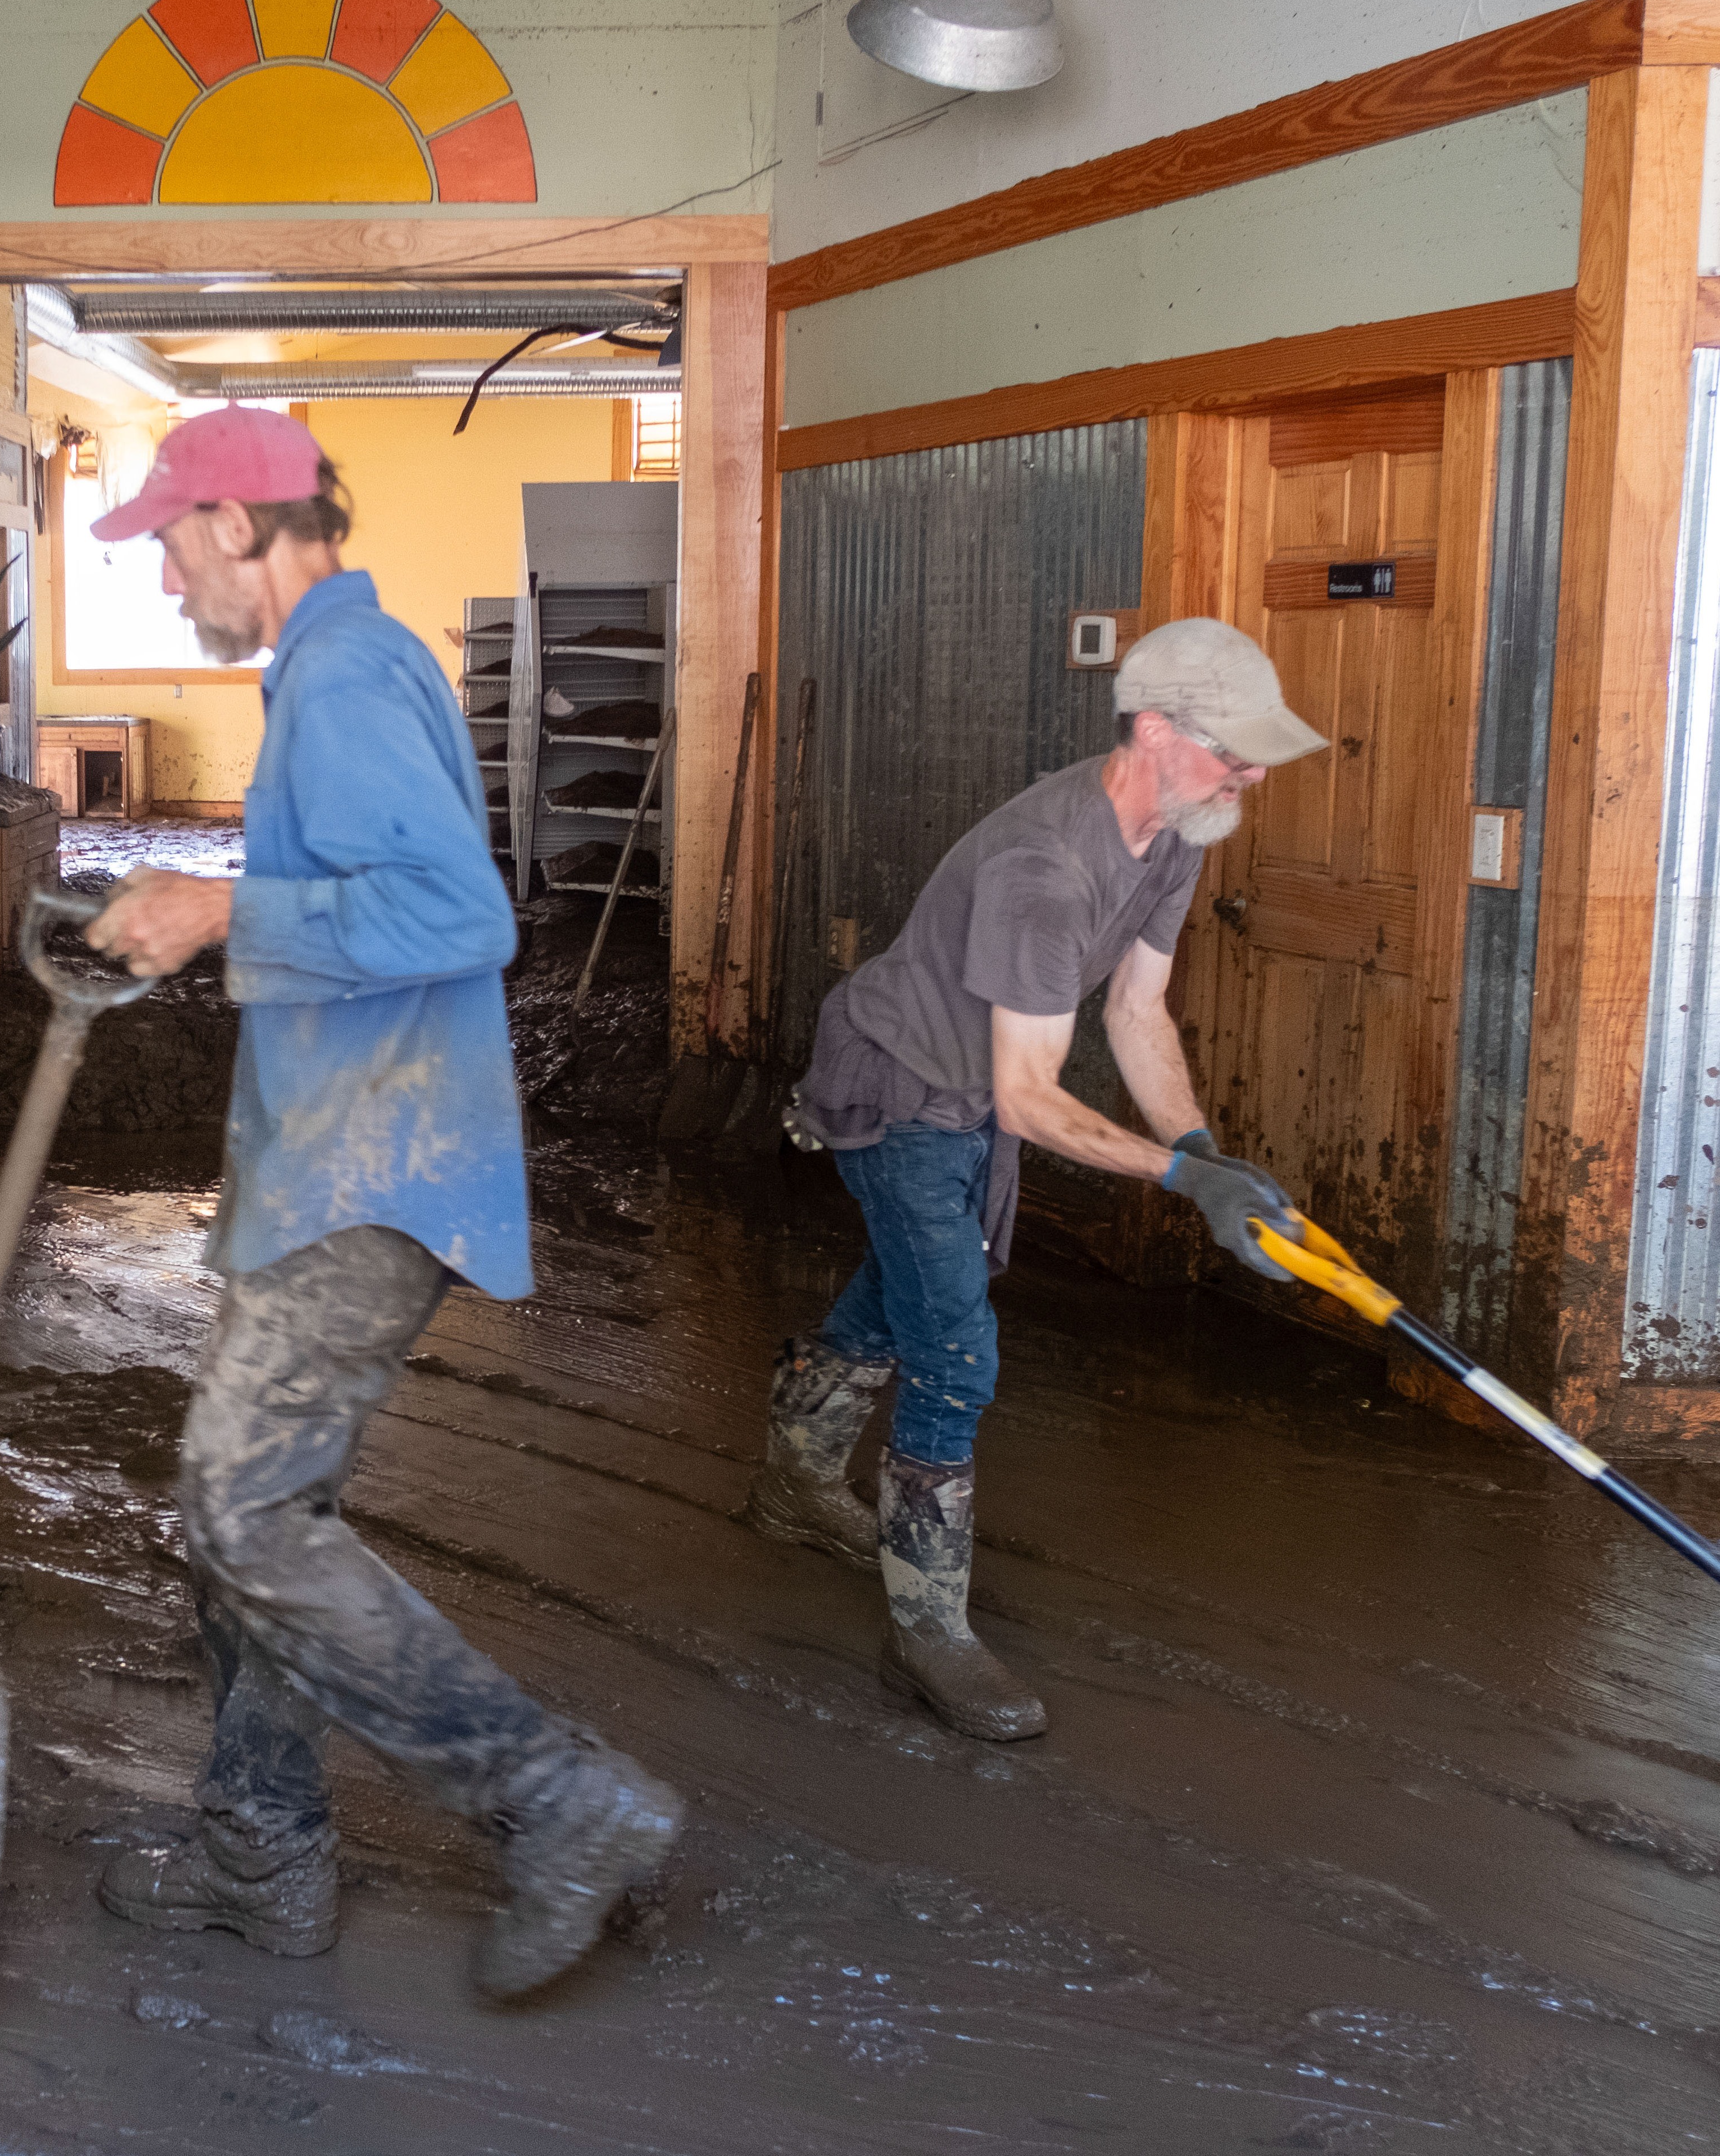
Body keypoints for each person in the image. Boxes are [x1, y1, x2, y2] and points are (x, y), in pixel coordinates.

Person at [75, 406, 679, 2000]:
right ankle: (258, 1847)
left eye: (164, 545)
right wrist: (206, 902)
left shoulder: (340, 674)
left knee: (243, 1510)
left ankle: (557, 1802)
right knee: (251, 1532)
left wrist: (221, 905)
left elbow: (454, 913)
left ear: (234, 524)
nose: (163, 583)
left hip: (370, 1162)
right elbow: (363, 886)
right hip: (338, 1154)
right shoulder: (347, 664)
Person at [749, 618, 1323, 1741]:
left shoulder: (1179, 830)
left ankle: (793, 1478)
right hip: (903, 1083)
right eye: (1234, 749)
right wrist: (1178, 1179)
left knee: (915, 1279)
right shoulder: (1043, 869)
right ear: (1154, 729)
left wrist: (1203, 1153)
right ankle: (928, 1629)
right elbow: (1031, 1098)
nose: (1254, 773)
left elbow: (1138, 1010)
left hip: (972, 1091)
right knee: (956, 1349)